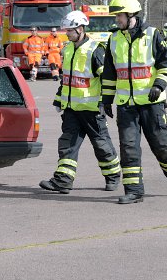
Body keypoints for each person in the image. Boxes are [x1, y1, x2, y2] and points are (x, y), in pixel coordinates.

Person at [101, 0, 167, 204]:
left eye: (120, 15)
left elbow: (165, 64)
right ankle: (134, 191)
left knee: (162, 147)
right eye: (116, 16)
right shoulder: (114, 39)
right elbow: (109, 73)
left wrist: (159, 85)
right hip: (126, 105)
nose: (117, 19)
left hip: (152, 104)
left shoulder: (153, 35)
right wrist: (107, 99)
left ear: (132, 15)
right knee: (129, 148)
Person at [39, 11, 121, 194]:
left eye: (69, 30)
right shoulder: (68, 49)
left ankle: (113, 176)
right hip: (71, 109)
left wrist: (105, 102)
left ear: (80, 29)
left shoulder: (95, 50)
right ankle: (63, 181)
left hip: (92, 110)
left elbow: (108, 78)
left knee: (101, 145)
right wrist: (59, 100)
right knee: (67, 144)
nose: (66, 33)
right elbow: (67, 79)